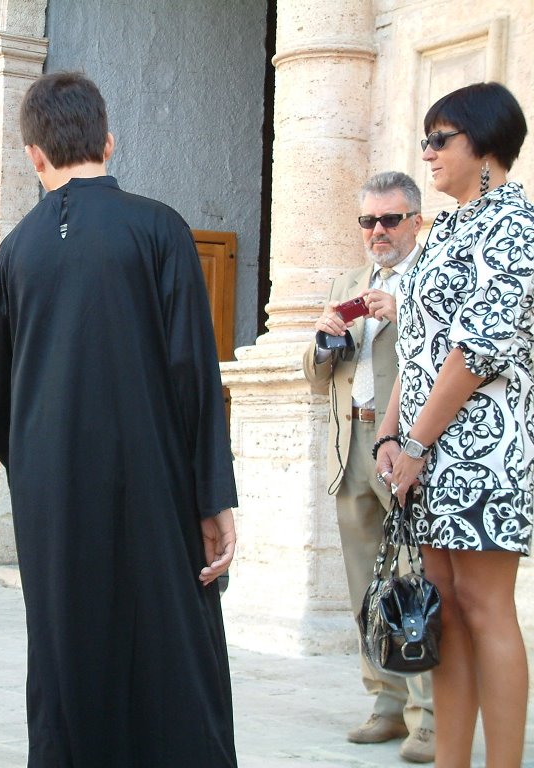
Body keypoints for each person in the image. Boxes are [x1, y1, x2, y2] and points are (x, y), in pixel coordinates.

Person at [0, 72, 238, 766]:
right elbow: (193, 375)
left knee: (68, 650)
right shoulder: (158, 228)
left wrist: (33, 461)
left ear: (34, 156)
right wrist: (213, 497)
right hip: (155, 487)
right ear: (109, 142)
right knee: (171, 649)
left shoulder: (13, 253)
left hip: (52, 498)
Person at [376, 81, 533, 767]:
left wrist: (415, 440)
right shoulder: (447, 229)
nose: (427, 152)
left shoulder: (513, 223)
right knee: (443, 603)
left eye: (441, 139)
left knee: (485, 603)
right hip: (424, 451)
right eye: (426, 139)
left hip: (485, 448)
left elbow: (481, 348)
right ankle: (451, 761)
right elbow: (418, 346)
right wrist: (390, 434)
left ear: (487, 146)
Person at [303, 171, 435, 762]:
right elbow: (316, 374)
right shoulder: (348, 283)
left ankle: (428, 715)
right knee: (367, 585)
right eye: (367, 222)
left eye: (389, 220)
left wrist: (405, 312)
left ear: (416, 221)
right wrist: (322, 337)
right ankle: (384, 703)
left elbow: (453, 350)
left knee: (416, 582)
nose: (377, 232)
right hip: (351, 448)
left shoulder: (434, 278)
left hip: (409, 452)